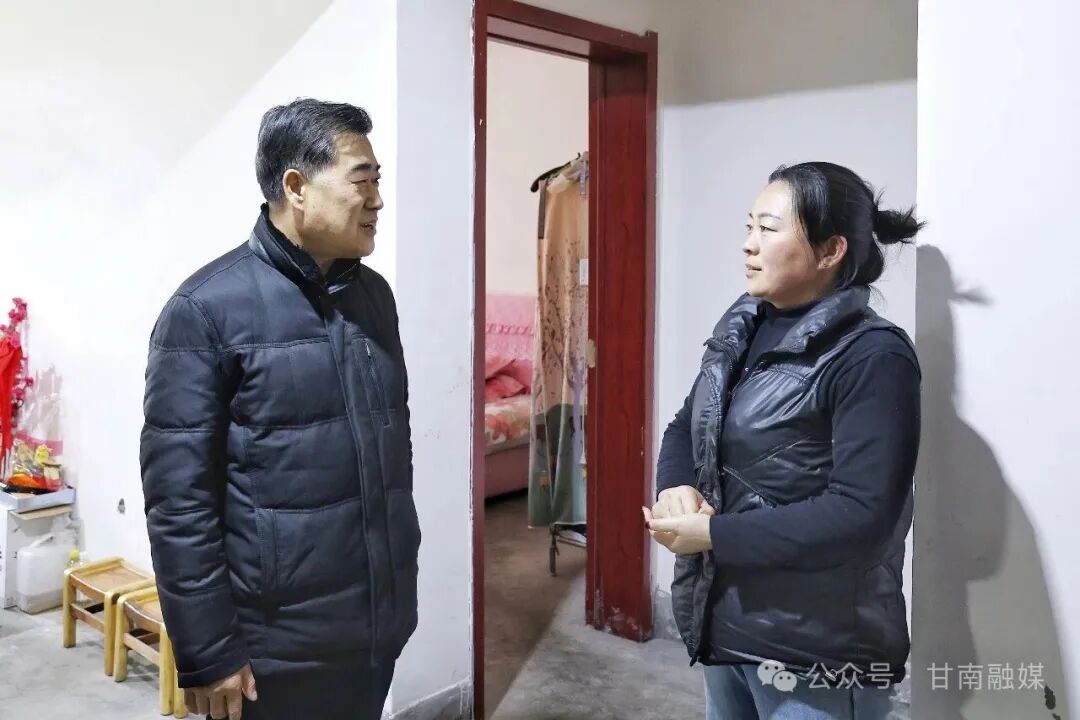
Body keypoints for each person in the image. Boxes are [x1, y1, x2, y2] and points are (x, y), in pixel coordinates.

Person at [140, 98, 419, 720]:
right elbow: (178, 501)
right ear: (296, 186)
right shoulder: (205, 310)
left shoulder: (373, 296)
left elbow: (389, 456)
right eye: (362, 181)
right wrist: (208, 649)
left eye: (379, 181)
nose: (377, 200)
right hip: (272, 654)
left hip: (374, 631)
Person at [645, 162, 923, 719]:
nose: (749, 245)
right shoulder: (743, 327)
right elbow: (686, 425)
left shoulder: (874, 356)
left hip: (818, 648)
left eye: (768, 230)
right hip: (725, 620)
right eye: (749, 227)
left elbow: (862, 514)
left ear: (831, 250)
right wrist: (676, 488)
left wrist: (713, 535)